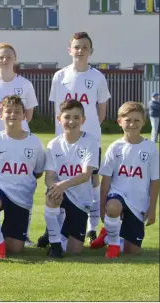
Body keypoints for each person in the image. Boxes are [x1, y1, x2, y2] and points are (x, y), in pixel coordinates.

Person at [48, 32, 111, 244]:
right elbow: (58, 109)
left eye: (85, 47)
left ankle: (92, 226)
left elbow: (101, 112)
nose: (80, 50)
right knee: (60, 179)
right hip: (63, 139)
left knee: (91, 179)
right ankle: (56, 229)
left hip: (89, 137)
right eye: (76, 47)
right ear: (70, 50)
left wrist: (88, 131)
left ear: (90, 51)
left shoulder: (98, 77)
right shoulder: (60, 76)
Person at [0, 42, 39, 246]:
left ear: (15, 59)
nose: (5, 60)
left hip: (20, 141)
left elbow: (29, 113)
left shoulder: (25, 84)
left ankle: (23, 233)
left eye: (9, 56)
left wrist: (15, 133)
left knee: (23, 184)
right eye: (1, 57)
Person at [0, 95, 46, 259]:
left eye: (17, 111)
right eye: (8, 111)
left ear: (24, 115)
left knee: (16, 249)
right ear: (1, 115)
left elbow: (38, 171)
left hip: (21, 197)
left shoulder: (35, 143)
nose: (13, 115)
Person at [91, 102, 159, 258]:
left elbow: (155, 181)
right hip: (118, 196)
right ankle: (113, 244)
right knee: (113, 207)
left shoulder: (151, 149)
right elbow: (106, 180)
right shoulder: (115, 147)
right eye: (128, 120)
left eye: (136, 120)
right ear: (120, 122)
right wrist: (103, 207)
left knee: (132, 251)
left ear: (144, 122)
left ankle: (108, 235)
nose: (132, 124)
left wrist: (152, 208)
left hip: (139, 203)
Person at [41, 99, 99, 258]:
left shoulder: (91, 141)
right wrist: (55, 187)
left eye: (76, 117)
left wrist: (62, 185)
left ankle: (58, 234)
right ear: (59, 119)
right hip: (61, 195)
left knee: (75, 251)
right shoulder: (54, 144)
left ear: (83, 120)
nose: (71, 121)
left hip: (81, 201)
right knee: (51, 196)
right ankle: (55, 244)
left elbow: (86, 175)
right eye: (67, 117)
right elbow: (49, 178)